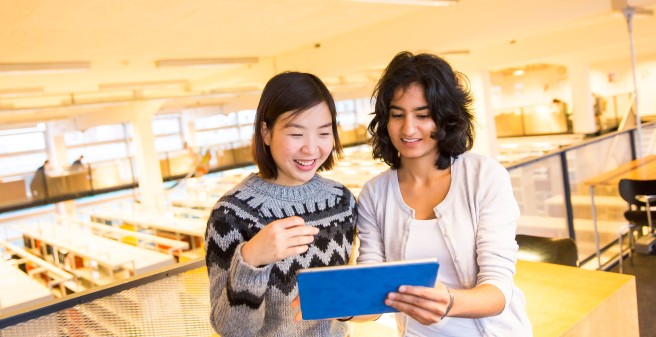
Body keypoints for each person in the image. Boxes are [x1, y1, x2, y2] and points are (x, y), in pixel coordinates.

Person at [355, 51, 532, 336]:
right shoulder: (375, 193)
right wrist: (332, 302)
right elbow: (373, 294)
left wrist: (448, 301)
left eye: (423, 115)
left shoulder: (484, 177)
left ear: (445, 118)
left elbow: (498, 290)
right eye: (397, 115)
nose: (408, 128)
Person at [204, 71, 357, 337]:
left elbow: (346, 301)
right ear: (266, 133)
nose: (311, 148)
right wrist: (251, 258)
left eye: (324, 132)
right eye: (296, 134)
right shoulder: (230, 215)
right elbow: (232, 330)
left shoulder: (342, 202)